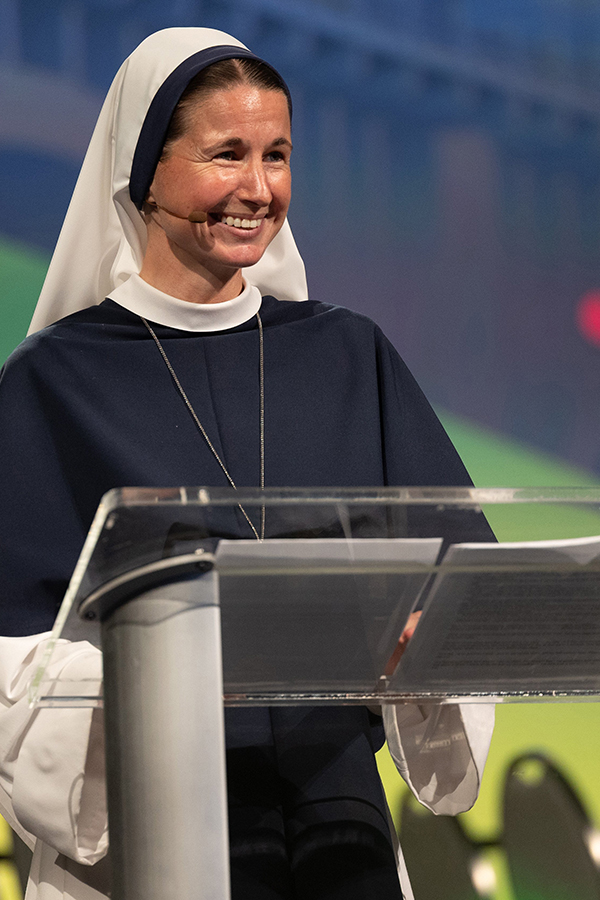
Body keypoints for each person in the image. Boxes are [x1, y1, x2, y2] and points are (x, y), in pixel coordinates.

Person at [0, 27, 495, 900]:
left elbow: (467, 588)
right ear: (147, 170)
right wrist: (155, 671)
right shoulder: (54, 380)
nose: (259, 190)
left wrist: (425, 636)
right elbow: (11, 647)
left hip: (339, 821)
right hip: (146, 831)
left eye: (278, 156)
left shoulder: (347, 354)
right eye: (226, 154)